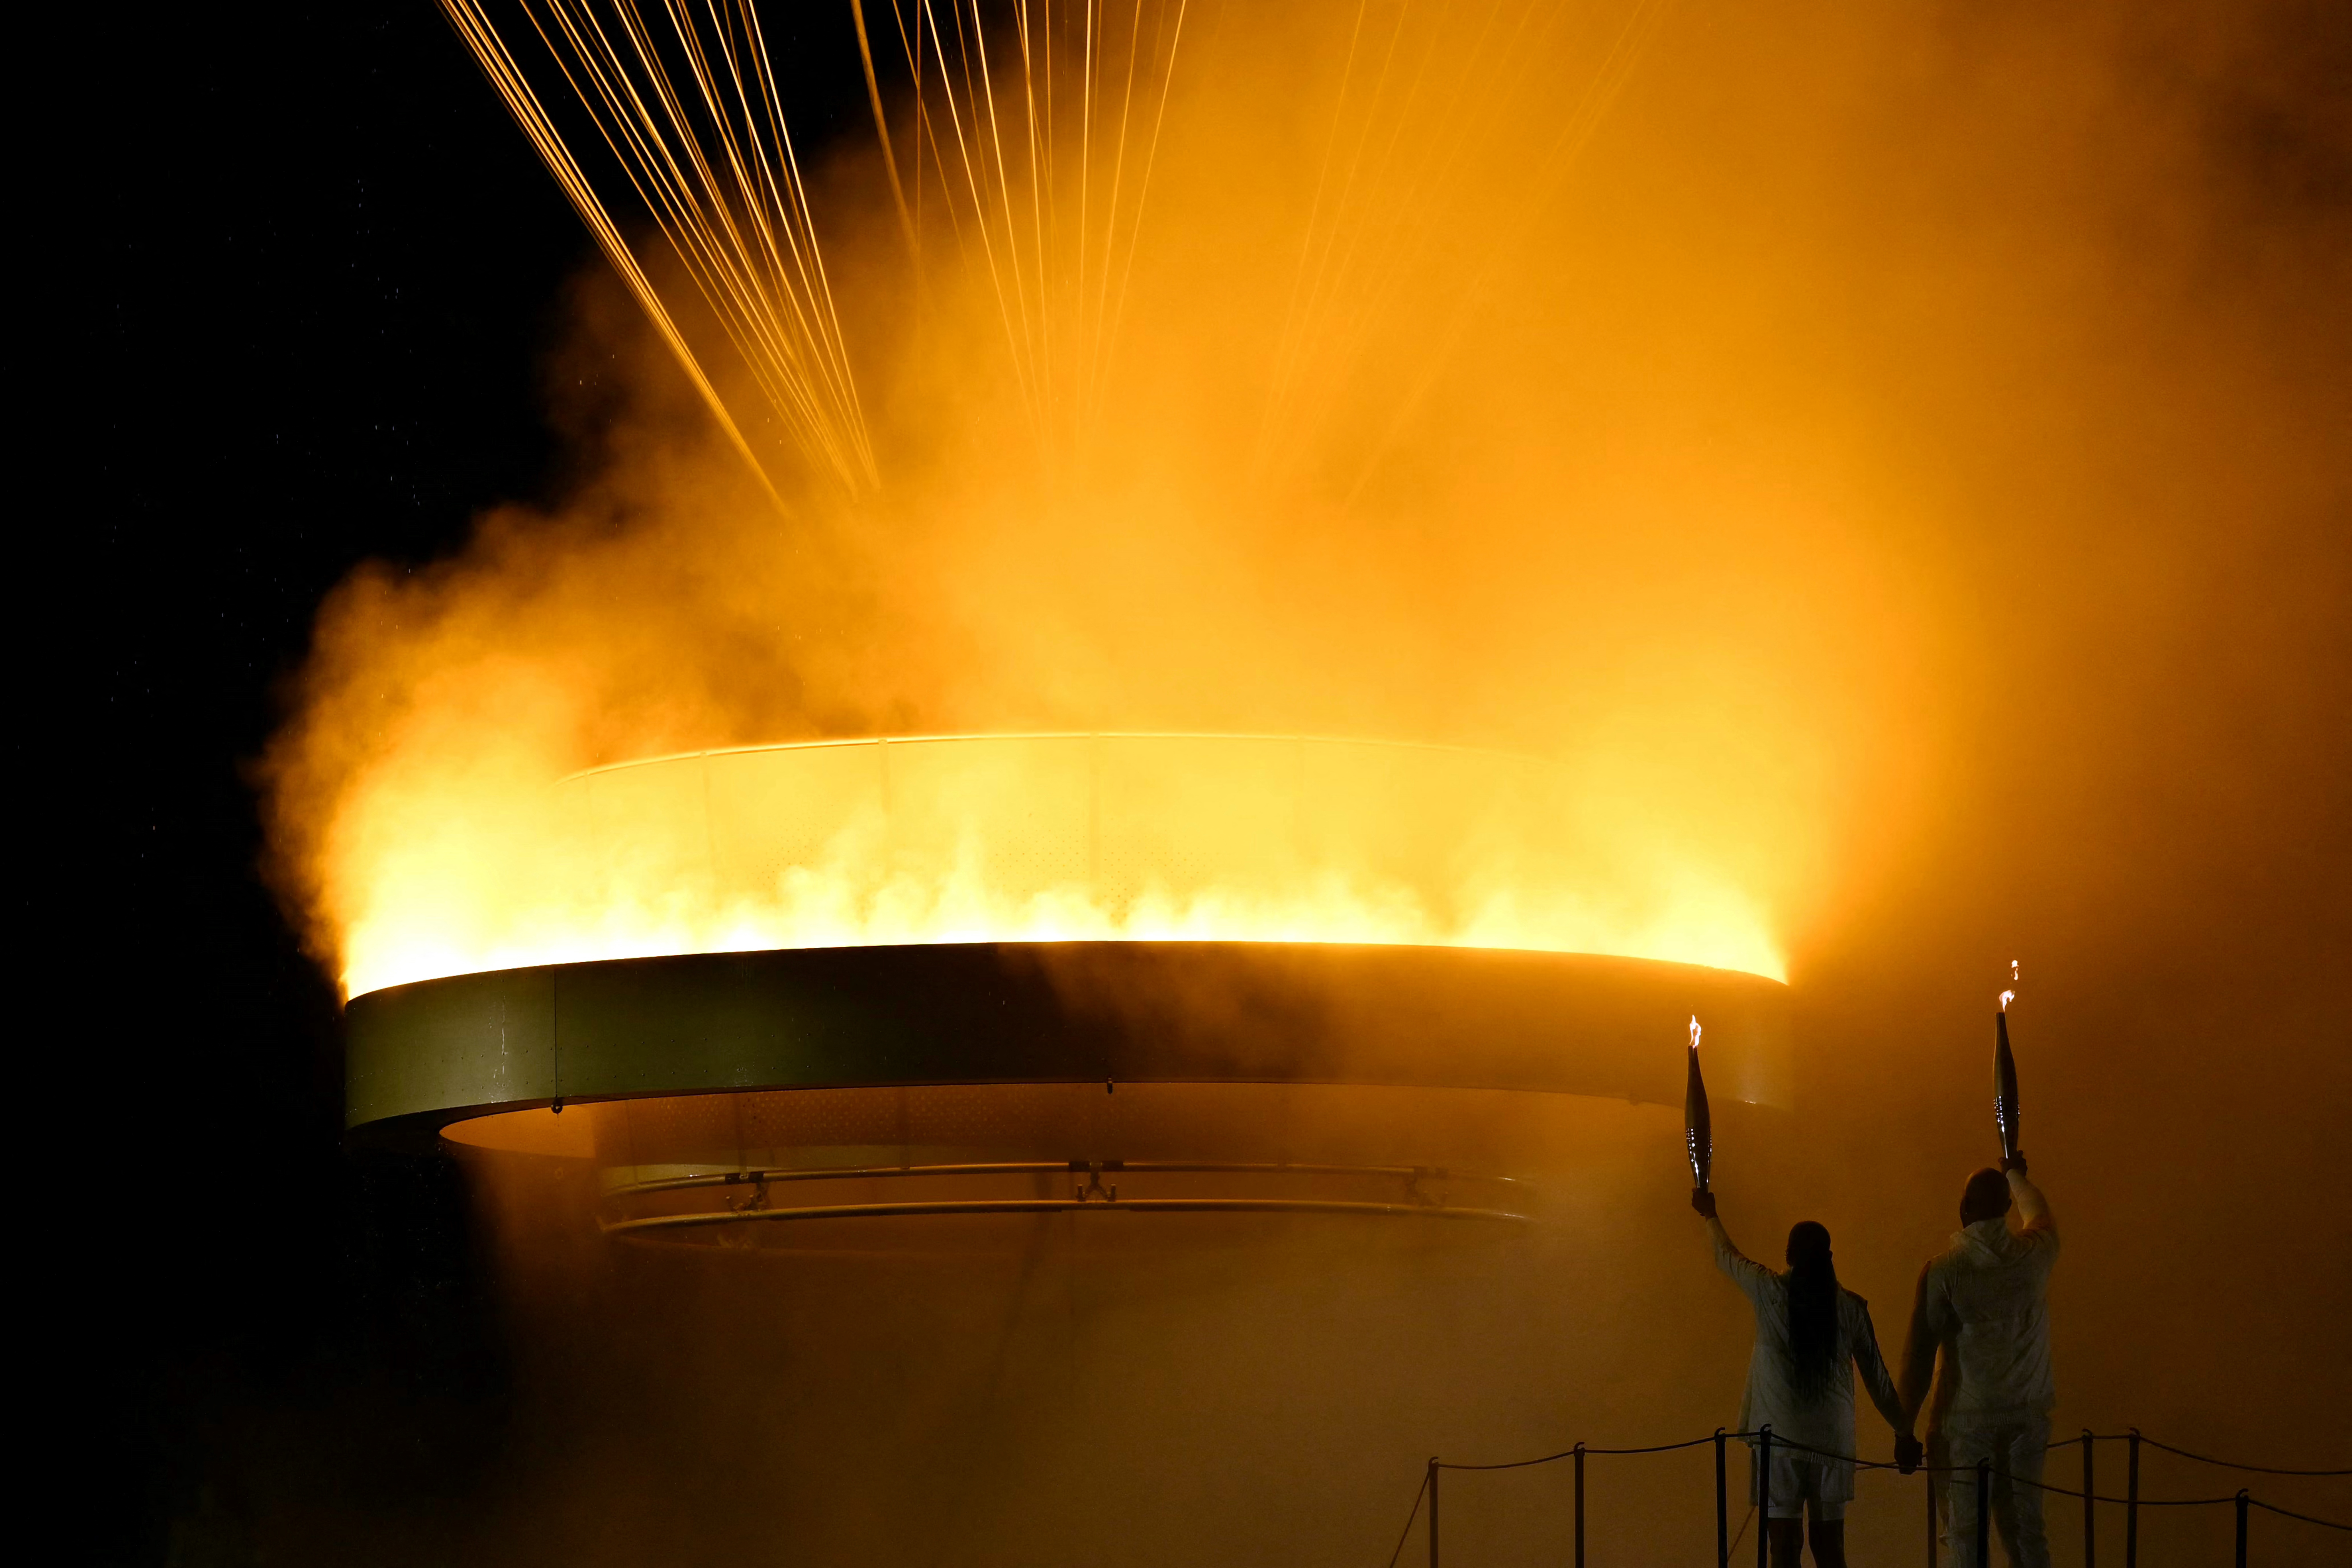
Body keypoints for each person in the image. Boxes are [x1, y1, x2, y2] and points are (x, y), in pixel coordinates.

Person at [1694, 1189, 1916, 1568]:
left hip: (1779, 1441)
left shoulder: (1769, 1291)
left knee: (1784, 1548)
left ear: (1789, 1255)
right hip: (1833, 1442)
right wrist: (1904, 1433)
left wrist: (1710, 1214)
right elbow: (1878, 1381)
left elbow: (1726, 1256)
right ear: (1829, 1258)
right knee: (1830, 1550)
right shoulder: (1851, 1309)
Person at [1897, 1154, 2059, 1568]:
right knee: (2027, 1533)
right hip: (2028, 1418)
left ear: (1964, 1207)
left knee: (1966, 1540)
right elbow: (2038, 1211)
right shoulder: (2035, 1256)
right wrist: (2015, 1174)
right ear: (2006, 1207)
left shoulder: (1944, 1272)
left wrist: (1904, 1428)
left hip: (1966, 1426)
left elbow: (1919, 1356)